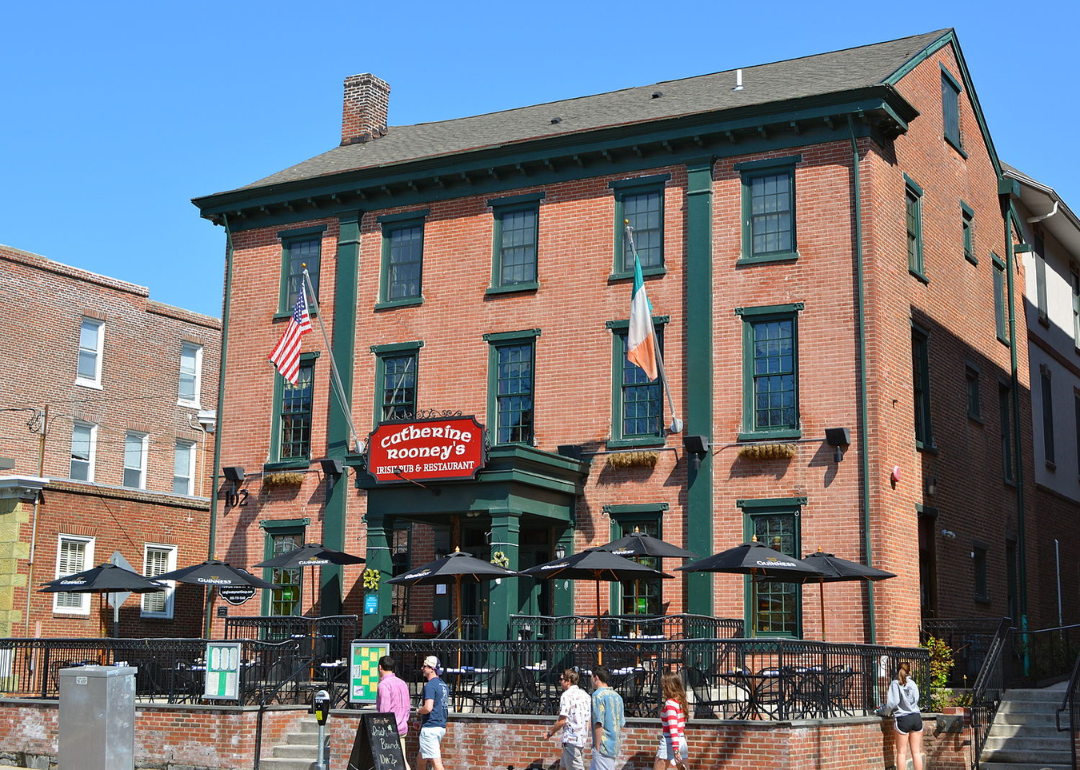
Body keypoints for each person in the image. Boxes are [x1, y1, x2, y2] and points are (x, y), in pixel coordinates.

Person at [544, 669, 591, 770]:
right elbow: (589, 718)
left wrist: (549, 733)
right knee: (563, 767)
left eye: (561, 679)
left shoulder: (566, 695)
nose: (560, 682)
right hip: (581, 737)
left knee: (576, 767)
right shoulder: (585, 695)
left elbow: (562, 720)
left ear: (568, 680)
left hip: (571, 738)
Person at [883, 661, 923, 770]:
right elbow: (917, 698)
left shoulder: (895, 683)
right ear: (909, 671)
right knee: (916, 752)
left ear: (897, 671)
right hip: (916, 716)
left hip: (903, 718)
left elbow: (893, 702)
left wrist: (887, 712)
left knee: (901, 753)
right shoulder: (913, 684)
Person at [376, 655, 412, 770]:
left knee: (392, 763)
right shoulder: (402, 683)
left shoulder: (384, 685)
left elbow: (384, 712)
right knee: (401, 761)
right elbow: (408, 707)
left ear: (380, 667)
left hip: (389, 731)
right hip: (402, 727)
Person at [416, 655, 450, 770]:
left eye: (425, 666)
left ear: (432, 669)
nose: (422, 668)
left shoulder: (430, 686)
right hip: (440, 726)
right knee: (421, 759)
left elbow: (428, 708)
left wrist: (419, 711)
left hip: (430, 727)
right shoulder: (444, 685)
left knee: (436, 762)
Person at [589, 666, 625, 770]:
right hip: (614, 744)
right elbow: (621, 722)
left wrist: (596, 747)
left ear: (596, 677)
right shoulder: (617, 696)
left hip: (603, 745)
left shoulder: (597, 696)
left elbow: (598, 723)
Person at [653, 672, 688, 770]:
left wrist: (676, 750)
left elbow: (673, 728)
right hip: (681, 740)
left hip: (669, 741)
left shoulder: (670, 704)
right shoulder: (681, 702)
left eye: (663, 685)